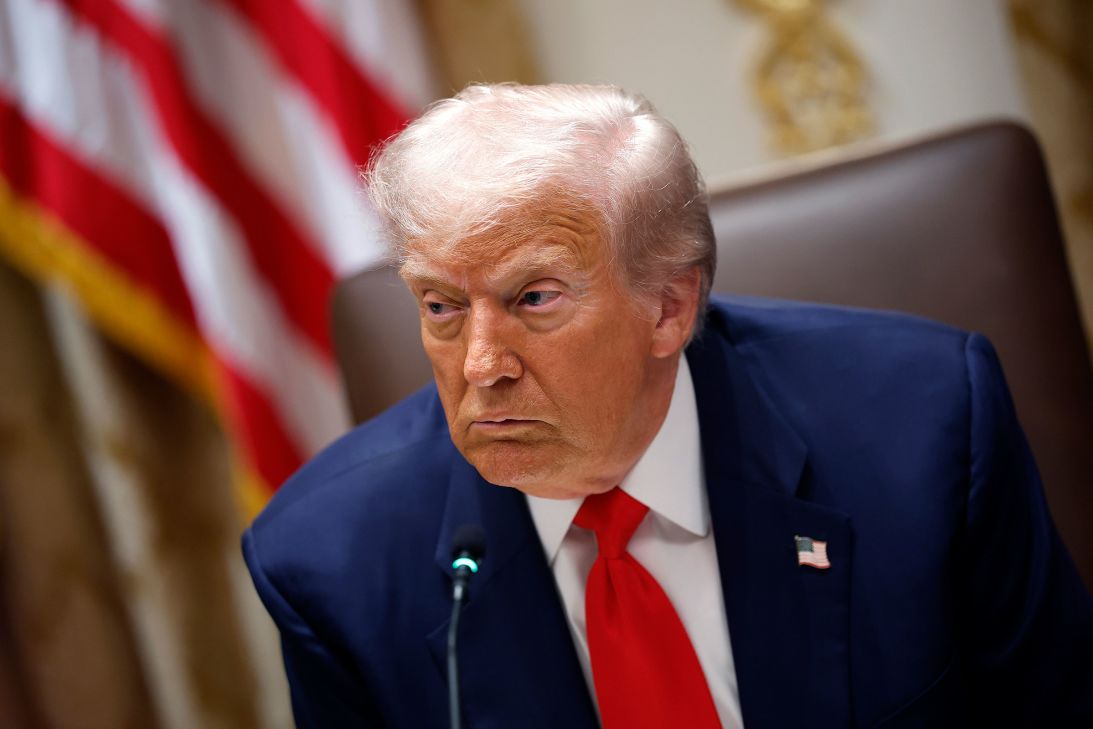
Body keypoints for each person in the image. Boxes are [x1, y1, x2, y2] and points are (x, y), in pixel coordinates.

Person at [243, 83, 1093, 728]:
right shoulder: (329, 565)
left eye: (533, 297)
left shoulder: (924, 429)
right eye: (440, 306)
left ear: (669, 307)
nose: (481, 365)